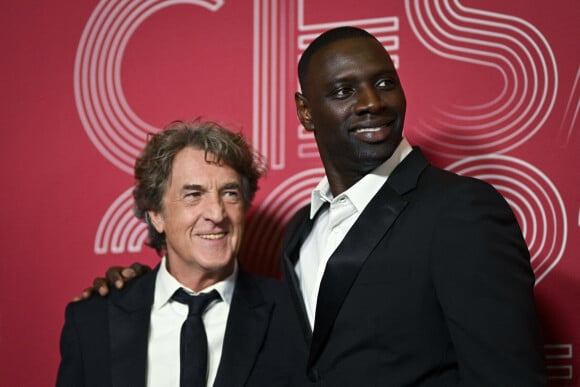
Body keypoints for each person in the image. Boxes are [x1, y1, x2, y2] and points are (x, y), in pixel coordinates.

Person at [81, 27, 547, 386]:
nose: (371, 103)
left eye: (384, 82)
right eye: (343, 91)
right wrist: (141, 290)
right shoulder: (299, 233)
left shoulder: (461, 211)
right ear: (305, 112)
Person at [57, 120, 304, 387]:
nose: (217, 213)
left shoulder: (294, 317)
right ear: (157, 215)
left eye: (230, 193)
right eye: (194, 195)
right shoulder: (92, 322)